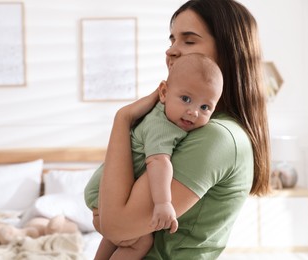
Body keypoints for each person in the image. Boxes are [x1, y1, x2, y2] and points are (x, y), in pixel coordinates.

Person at [91, 0, 271, 259]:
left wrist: (122, 119)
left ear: (229, 51)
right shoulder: (185, 125)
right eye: (172, 39)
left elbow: (115, 226)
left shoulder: (217, 137)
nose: (171, 51)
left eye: (188, 41)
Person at [85, 53, 223, 259]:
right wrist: (163, 203)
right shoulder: (163, 127)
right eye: (186, 99)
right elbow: (158, 162)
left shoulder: (164, 115)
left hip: (101, 194)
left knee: (114, 239)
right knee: (140, 242)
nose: (194, 112)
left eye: (205, 107)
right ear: (164, 92)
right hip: (104, 198)